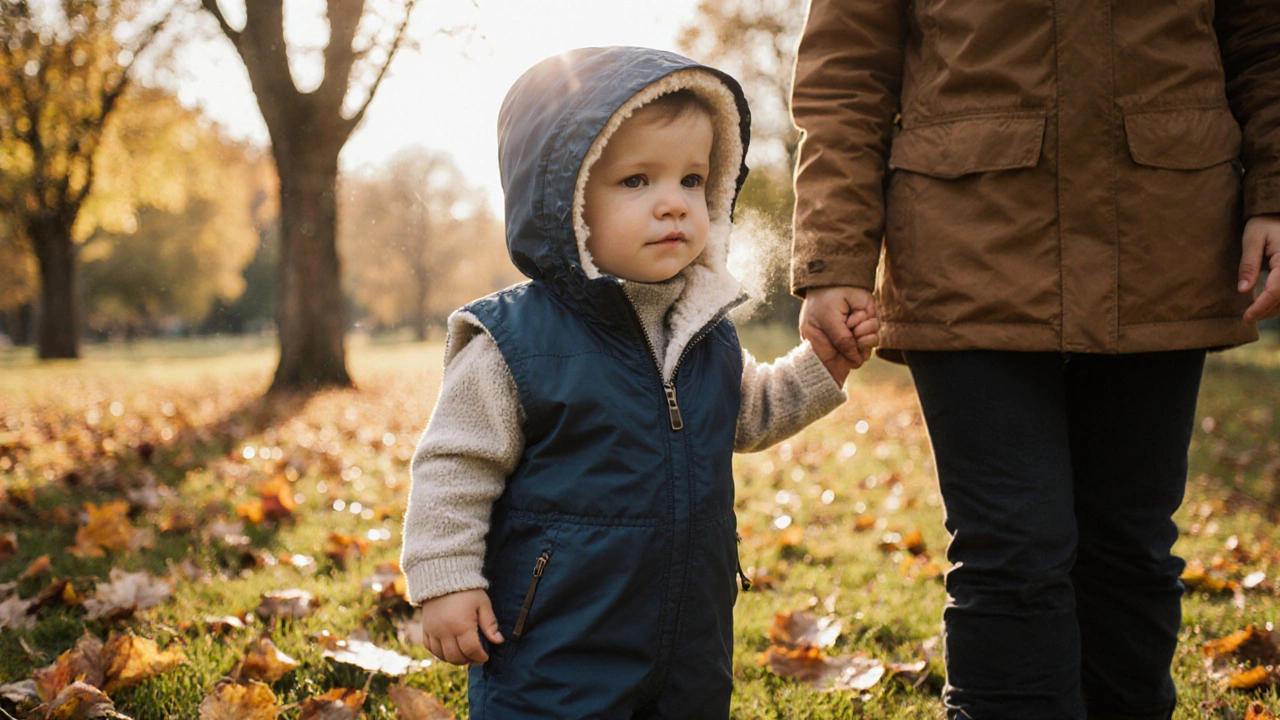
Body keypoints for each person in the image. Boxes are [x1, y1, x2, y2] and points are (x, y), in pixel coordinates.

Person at [788, 1, 1280, 718]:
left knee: (1132, 548)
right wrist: (834, 254)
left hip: (1162, 233)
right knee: (1011, 551)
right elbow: (847, 66)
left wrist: (1274, 191)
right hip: (967, 238)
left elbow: (1264, 38)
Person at [399, 47, 879, 719]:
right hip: (555, 650)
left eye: (691, 180)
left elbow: (748, 412)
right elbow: (455, 464)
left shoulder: (702, 327)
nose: (673, 205)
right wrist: (445, 580)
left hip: (687, 642)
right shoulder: (514, 341)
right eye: (636, 182)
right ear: (564, 200)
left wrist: (824, 365)